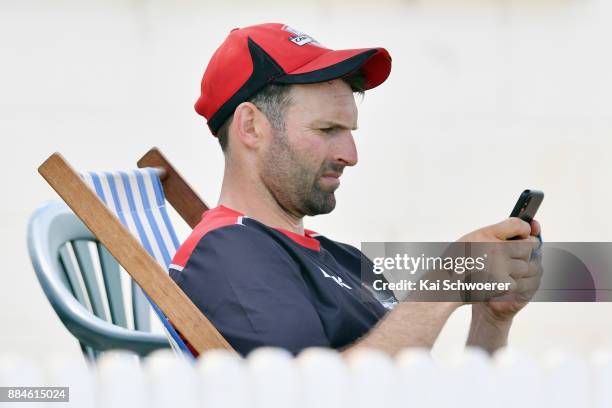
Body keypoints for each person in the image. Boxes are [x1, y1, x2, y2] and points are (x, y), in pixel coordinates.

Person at [169, 23, 542, 357]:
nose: (350, 155)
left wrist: (491, 320)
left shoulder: (343, 259)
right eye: (327, 130)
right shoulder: (229, 252)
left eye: (349, 132)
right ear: (251, 127)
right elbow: (308, 395)